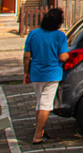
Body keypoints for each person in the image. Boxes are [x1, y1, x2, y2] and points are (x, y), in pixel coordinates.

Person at [23, 8, 69, 145]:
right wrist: (67, 55)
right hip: (52, 73)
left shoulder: (33, 34)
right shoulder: (60, 36)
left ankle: (40, 130)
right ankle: (38, 135)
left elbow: (26, 56)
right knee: (46, 105)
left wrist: (26, 73)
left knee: (39, 103)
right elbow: (62, 56)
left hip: (36, 73)